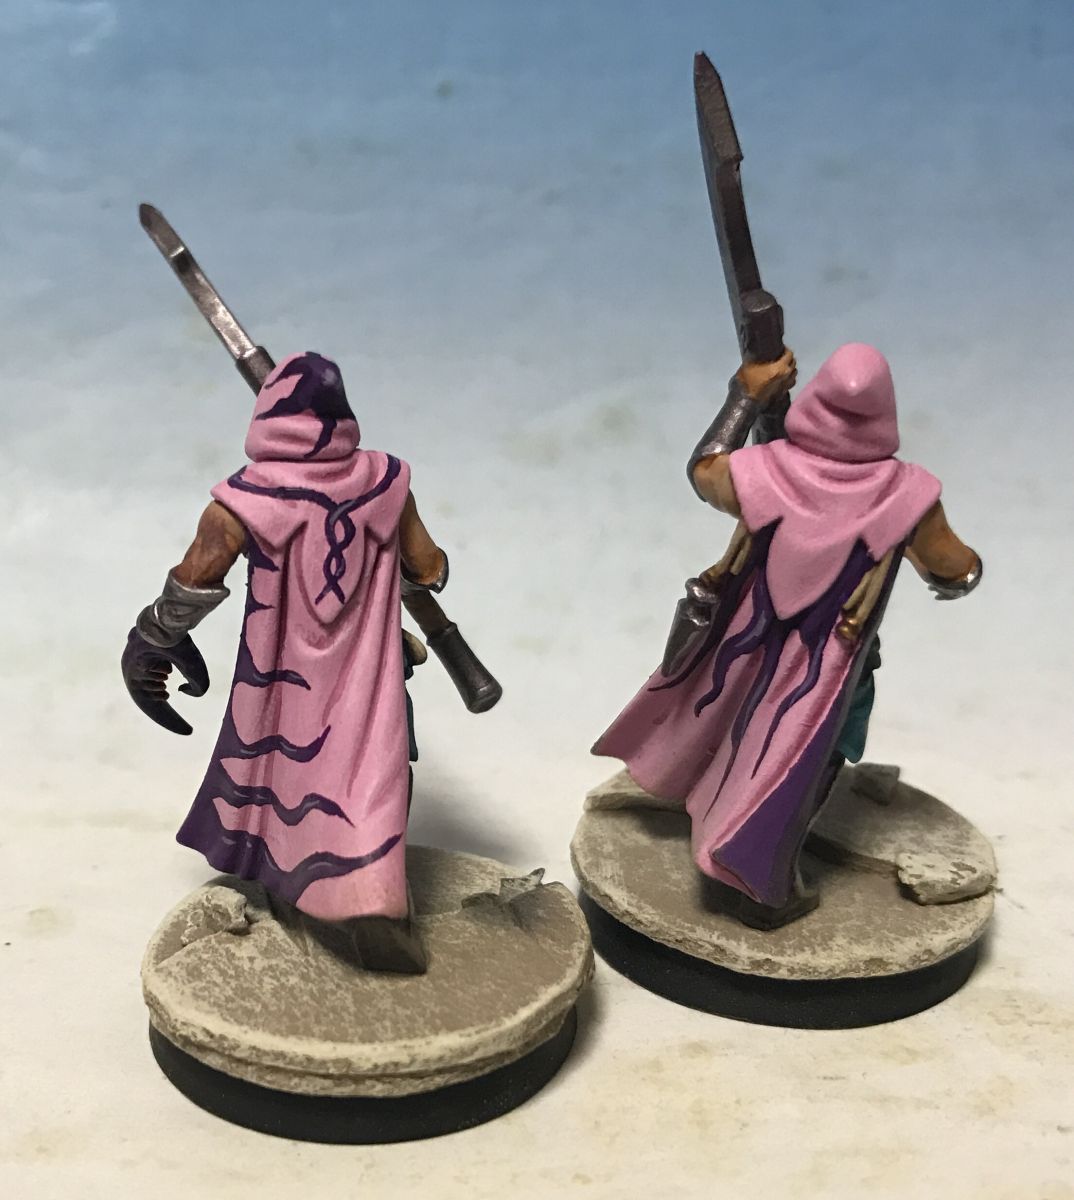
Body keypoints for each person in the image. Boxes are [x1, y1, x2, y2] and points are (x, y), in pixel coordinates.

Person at [593, 342, 982, 930]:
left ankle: (729, 837)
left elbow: (706, 470)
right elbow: (950, 565)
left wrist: (746, 395)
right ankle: (763, 887)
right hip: (828, 660)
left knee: (745, 733)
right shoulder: (908, 496)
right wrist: (965, 573)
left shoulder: (765, 469)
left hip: (748, 643)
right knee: (805, 758)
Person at [122, 352, 447, 971]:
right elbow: (428, 568)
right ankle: (366, 898)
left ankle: (363, 905)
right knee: (376, 777)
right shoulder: (389, 480)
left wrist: (153, 635)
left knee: (288, 782)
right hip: (367, 678)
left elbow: (194, 580)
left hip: (284, 685)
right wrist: (397, 574)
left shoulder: (242, 499)